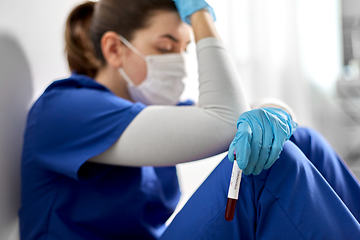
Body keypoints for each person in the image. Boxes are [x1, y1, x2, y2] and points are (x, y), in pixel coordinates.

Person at [18, 0, 360, 239]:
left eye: (185, 49)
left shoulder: (149, 114)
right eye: (167, 47)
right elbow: (225, 122)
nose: (180, 63)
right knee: (262, 168)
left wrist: (277, 113)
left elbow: (244, 116)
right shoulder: (65, 109)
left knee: (300, 141)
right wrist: (199, 15)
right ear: (113, 49)